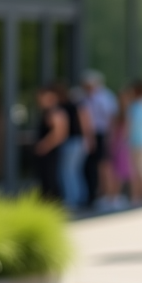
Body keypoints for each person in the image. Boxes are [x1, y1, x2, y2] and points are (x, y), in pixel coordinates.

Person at [81, 70, 118, 208]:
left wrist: (110, 136)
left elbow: (111, 117)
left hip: (103, 134)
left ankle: (109, 196)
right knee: (95, 166)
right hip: (91, 135)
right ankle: (100, 194)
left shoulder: (104, 97)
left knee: (105, 166)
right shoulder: (86, 98)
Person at [57, 82, 89, 210]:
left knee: (68, 172)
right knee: (75, 171)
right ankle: (79, 198)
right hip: (78, 142)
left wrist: (88, 140)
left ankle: (72, 200)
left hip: (72, 142)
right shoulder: (75, 106)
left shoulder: (70, 107)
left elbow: (85, 124)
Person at [34, 84, 67, 201]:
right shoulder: (46, 112)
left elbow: (59, 133)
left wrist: (44, 145)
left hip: (51, 151)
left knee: (51, 177)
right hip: (47, 151)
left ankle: (54, 202)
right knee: (45, 178)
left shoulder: (54, 113)